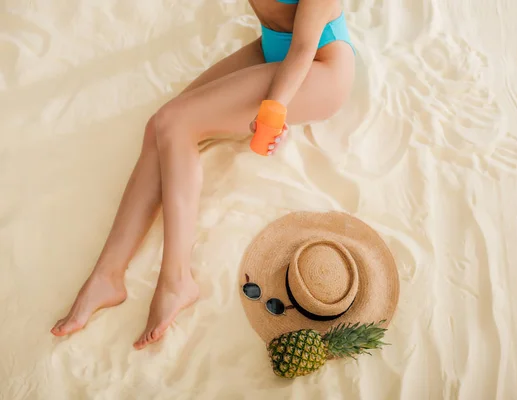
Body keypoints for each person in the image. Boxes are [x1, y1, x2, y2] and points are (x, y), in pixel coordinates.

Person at [50, 0, 355, 350]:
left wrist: (274, 110)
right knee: (160, 126)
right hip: (273, 45)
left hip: (319, 67)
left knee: (175, 123)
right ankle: (107, 277)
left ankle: (176, 280)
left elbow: (302, 49)